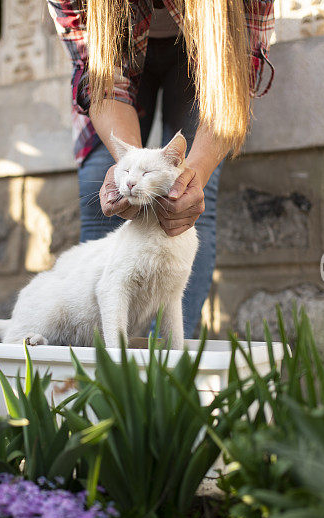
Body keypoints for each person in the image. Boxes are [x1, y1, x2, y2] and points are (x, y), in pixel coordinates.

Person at [47, 0, 275, 337]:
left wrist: (194, 173)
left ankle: (166, 367)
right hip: (116, 40)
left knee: (190, 202)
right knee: (100, 196)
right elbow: (101, 79)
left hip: (207, 45)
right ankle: (94, 357)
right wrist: (124, 164)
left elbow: (236, 77)